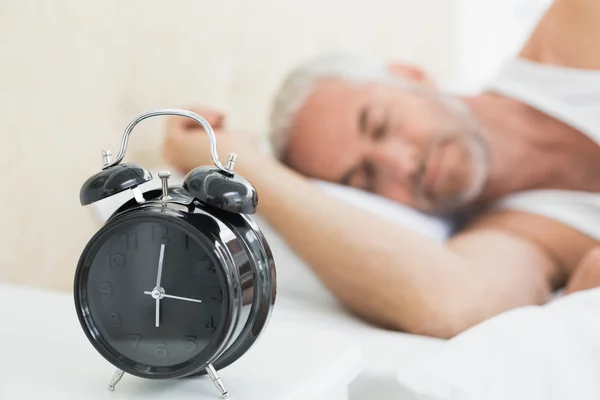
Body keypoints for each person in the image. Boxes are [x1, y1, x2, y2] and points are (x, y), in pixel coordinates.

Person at [162, 0, 600, 338]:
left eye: (381, 124)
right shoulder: (519, 237)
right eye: (365, 180)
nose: (401, 163)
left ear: (412, 76)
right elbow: (452, 304)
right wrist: (246, 170)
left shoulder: (575, 37)